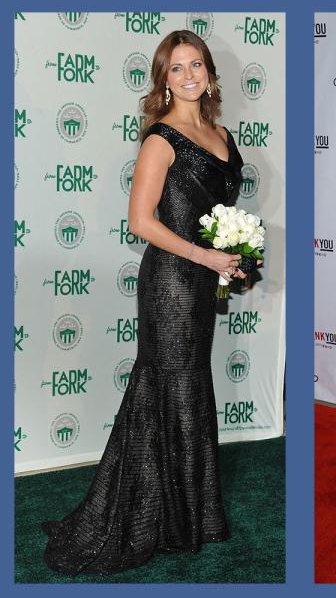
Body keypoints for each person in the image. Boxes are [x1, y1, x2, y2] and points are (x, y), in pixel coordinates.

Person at [43, 29, 249, 575]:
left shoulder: (222, 133)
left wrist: (234, 256)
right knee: (170, 385)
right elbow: (141, 221)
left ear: (210, 72)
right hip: (172, 282)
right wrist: (203, 258)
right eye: (176, 67)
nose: (188, 75)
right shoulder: (161, 137)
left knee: (190, 385)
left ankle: (191, 514)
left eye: (196, 64)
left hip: (203, 281)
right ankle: (165, 519)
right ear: (163, 79)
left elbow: (218, 217)